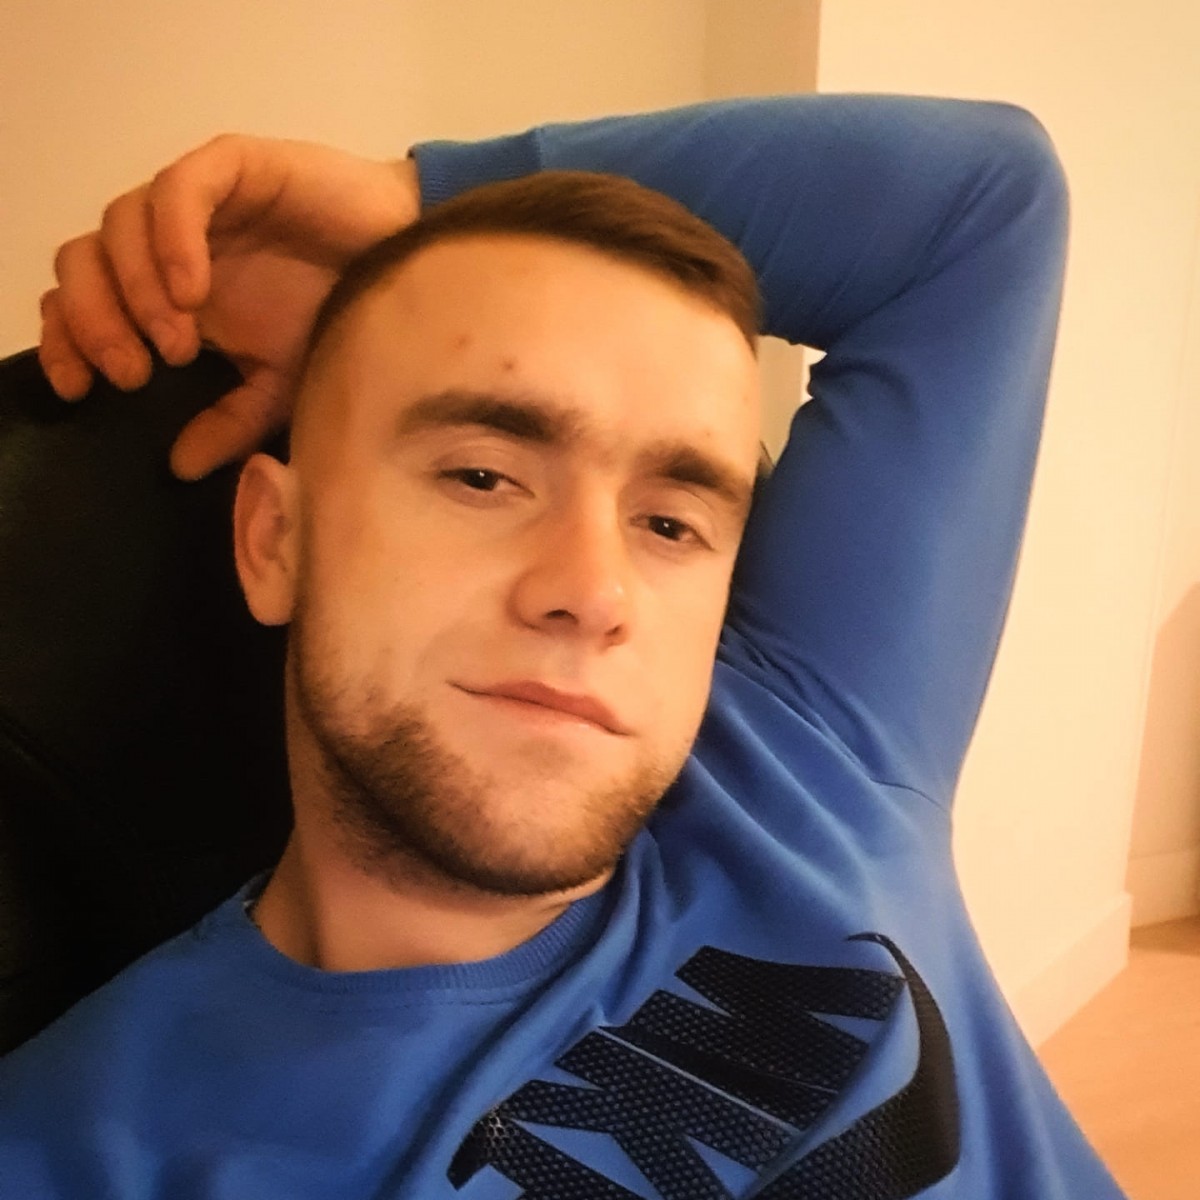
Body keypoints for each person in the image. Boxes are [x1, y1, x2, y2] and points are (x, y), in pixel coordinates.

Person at [0, 95, 1128, 1199]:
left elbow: (979, 201)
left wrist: (415, 198)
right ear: (274, 541)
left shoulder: (806, 751)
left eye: (670, 524)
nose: (594, 592)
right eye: (483, 477)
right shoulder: (76, 1148)